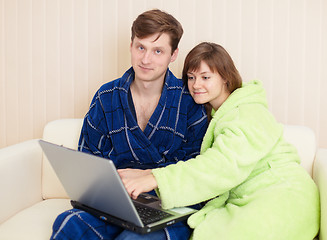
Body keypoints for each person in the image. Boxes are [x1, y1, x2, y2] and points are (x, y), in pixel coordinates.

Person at [119, 42, 320, 240]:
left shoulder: (247, 112)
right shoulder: (216, 113)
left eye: (205, 77)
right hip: (253, 196)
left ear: (225, 77)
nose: (196, 85)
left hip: (284, 198)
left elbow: (221, 165)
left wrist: (156, 178)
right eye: (191, 77)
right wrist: (147, 173)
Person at [50, 10, 208, 240]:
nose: (146, 59)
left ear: (173, 55)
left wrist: (150, 177)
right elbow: (88, 157)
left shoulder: (189, 102)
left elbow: (199, 169)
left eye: (158, 51)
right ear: (131, 45)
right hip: (115, 201)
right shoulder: (107, 97)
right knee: (69, 224)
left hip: (169, 203)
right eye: (141, 47)